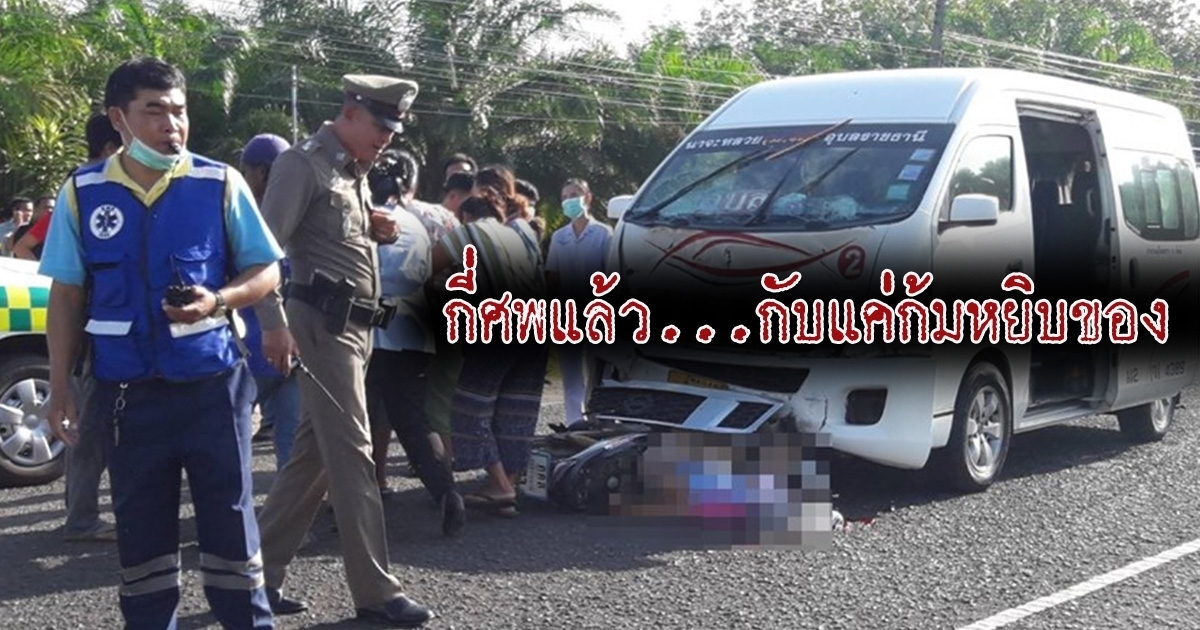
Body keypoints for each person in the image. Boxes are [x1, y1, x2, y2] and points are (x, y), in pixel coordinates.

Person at [41, 56, 281, 629]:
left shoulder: (218, 182)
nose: (172, 125)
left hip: (213, 388)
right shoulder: (83, 192)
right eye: (155, 111)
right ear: (118, 118)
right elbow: (67, 294)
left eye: (179, 111)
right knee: (142, 532)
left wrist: (218, 300)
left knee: (231, 525)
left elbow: (267, 269)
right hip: (126, 395)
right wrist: (59, 384)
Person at [251, 74, 434, 627]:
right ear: (350, 112)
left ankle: (254, 577)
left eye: (393, 130)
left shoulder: (353, 170)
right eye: (380, 126)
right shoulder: (301, 164)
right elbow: (262, 251)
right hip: (320, 328)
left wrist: (375, 231)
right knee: (354, 453)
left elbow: (331, 237)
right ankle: (376, 591)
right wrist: (273, 325)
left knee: (312, 459)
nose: (387, 138)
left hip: (354, 332)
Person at [431, 170, 547, 518]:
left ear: (466, 214)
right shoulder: (519, 232)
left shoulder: (467, 233)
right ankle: (506, 486)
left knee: (468, 408)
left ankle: (500, 486)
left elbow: (424, 269)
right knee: (515, 411)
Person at [365, 149, 466, 535]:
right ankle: (446, 492)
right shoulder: (419, 223)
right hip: (416, 330)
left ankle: (356, 504)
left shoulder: (367, 218)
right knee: (414, 420)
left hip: (371, 330)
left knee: (359, 420)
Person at [59, 111, 124, 544]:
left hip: (93, 334)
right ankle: (81, 519)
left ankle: (81, 513)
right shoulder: (89, 189)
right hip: (92, 337)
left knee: (94, 429)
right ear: (109, 147)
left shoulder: (78, 186)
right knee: (91, 432)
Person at [237, 133, 302, 471]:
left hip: (251, 351)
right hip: (297, 347)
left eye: (246, 169)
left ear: (261, 173)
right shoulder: (303, 218)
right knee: (291, 450)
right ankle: (293, 509)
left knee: (231, 441)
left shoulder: (241, 218)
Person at [545, 178, 612, 427]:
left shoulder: (604, 234)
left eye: (575, 194)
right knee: (571, 372)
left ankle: (599, 419)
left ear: (588, 198)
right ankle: (574, 421)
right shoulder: (559, 237)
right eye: (565, 197)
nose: (569, 200)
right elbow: (553, 276)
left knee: (598, 370)